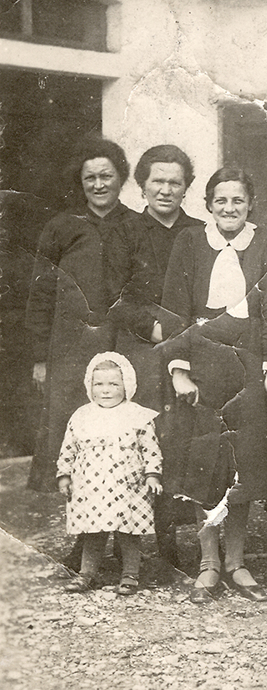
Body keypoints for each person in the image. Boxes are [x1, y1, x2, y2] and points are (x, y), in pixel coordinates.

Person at [160, 167, 267, 603]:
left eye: (237, 200)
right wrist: (179, 368)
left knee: (244, 460)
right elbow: (175, 307)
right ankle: (208, 562)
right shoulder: (191, 243)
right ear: (208, 205)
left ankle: (237, 561)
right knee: (204, 462)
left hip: (249, 364)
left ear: (250, 203)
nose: (229, 208)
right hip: (203, 362)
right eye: (220, 201)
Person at [105, 144, 201, 571]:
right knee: (135, 442)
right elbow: (111, 299)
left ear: (187, 189)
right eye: (157, 181)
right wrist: (154, 329)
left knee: (178, 440)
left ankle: (169, 542)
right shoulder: (124, 232)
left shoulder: (200, 231)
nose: (165, 189)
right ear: (142, 186)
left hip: (189, 349)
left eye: (175, 182)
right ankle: (117, 539)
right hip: (142, 349)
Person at [26, 137, 136, 493]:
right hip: (70, 350)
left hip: (123, 345)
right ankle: (83, 539)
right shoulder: (61, 227)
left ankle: (124, 538)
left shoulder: (136, 225)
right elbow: (41, 295)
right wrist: (40, 358)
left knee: (121, 437)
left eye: (107, 175)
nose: (99, 184)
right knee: (74, 437)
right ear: (81, 182)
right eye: (90, 178)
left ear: (121, 177)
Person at [57, 352, 162, 595]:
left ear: (127, 385)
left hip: (129, 485)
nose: (105, 390)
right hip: (91, 485)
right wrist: (64, 475)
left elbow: (151, 448)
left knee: (128, 532)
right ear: (89, 385)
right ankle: (86, 574)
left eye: (114, 384)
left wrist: (152, 475)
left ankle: (130, 575)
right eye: (99, 384)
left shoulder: (138, 415)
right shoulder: (82, 415)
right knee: (93, 531)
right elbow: (68, 448)